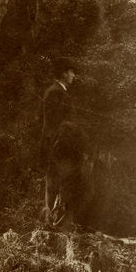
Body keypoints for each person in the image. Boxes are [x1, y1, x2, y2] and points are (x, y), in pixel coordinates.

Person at [40, 57, 81, 226]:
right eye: (72, 72)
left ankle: (55, 222)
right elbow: (55, 122)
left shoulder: (59, 91)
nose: (74, 75)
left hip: (61, 144)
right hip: (56, 144)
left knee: (60, 181)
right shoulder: (55, 92)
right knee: (54, 182)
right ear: (64, 73)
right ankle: (50, 222)